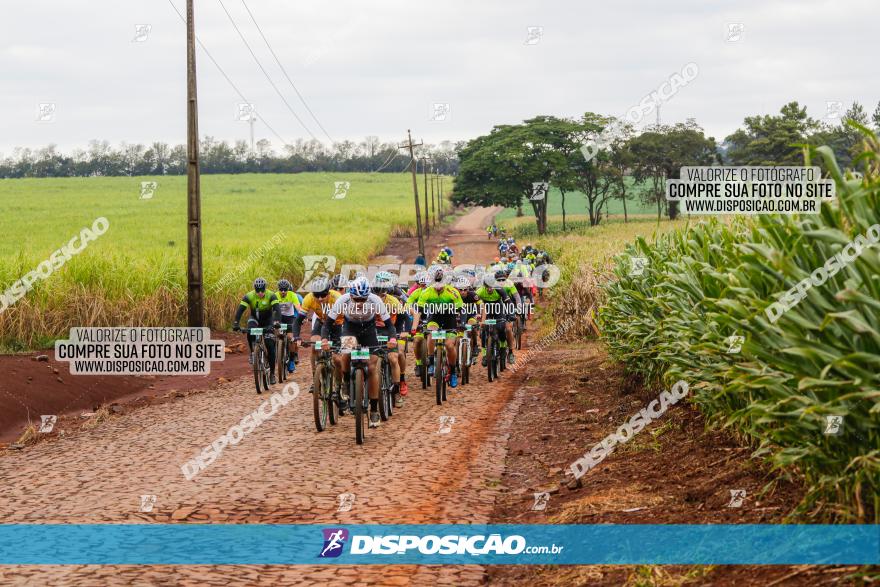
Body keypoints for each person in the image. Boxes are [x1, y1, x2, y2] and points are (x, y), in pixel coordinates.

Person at [321, 276, 395, 429]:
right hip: (350, 328)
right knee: (346, 354)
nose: (360, 303)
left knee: (373, 367)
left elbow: (389, 325)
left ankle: (374, 410)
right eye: (357, 299)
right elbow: (327, 324)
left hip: (369, 330)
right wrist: (324, 340)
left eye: (363, 299)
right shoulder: (343, 300)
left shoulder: (375, 300)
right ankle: (347, 383)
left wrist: (393, 338)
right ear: (351, 295)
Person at [411, 265, 462, 388]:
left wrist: (462, 323)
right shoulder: (426, 292)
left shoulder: (452, 292)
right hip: (434, 318)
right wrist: (414, 327)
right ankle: (432, 360)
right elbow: (418, 311)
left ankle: (453, 372)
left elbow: (461, 309)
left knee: (450, 346)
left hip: (450, 319)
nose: (438, 287)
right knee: (431, 333)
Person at [293, 276, 343, 397]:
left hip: (339, 324)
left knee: (337, 359)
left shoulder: (338, 298)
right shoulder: (309, 298)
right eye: (317, 295)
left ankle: (339, 385)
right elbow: (298, 320)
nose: (320, 298)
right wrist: (296, 337)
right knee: (315, 345)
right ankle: (316, 378)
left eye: (323, 295)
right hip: (321, 322)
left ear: (328, 292)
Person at [232, 277, 280, 386]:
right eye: (258, 291)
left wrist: (277, 322)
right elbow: (240, 310)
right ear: (255, 290)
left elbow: (277, 310)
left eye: (262, 290)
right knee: (250, 330)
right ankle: (253, 352)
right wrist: (236, 323)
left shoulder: (271, 295)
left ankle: (272, 373)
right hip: (255, 319)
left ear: (265, 288)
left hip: (268, 321)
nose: (260, 293)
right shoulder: (249, 296)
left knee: (270, 345)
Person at [372, 271, 408, 406]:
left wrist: (404, 332)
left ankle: (397, 390)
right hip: (373, 329)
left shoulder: (394, 299)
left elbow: (404, 317)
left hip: (390, 329)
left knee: (394, 357)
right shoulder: (368, 299)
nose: (378, 297)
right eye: (376, 294)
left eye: (381, 294)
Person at [275, 279, 303, 373]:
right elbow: (271, 309)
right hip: (279, 318)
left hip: (289, 318)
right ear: (278, 289)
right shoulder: (275, 296)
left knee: (291, 338)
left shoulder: (293, 295)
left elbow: (298, 308)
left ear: (288, 289)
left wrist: (301, 317)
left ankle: (291, 360)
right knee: (276, 334)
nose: (283, 291)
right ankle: (278, 353)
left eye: (285, 290)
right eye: (281, 289)